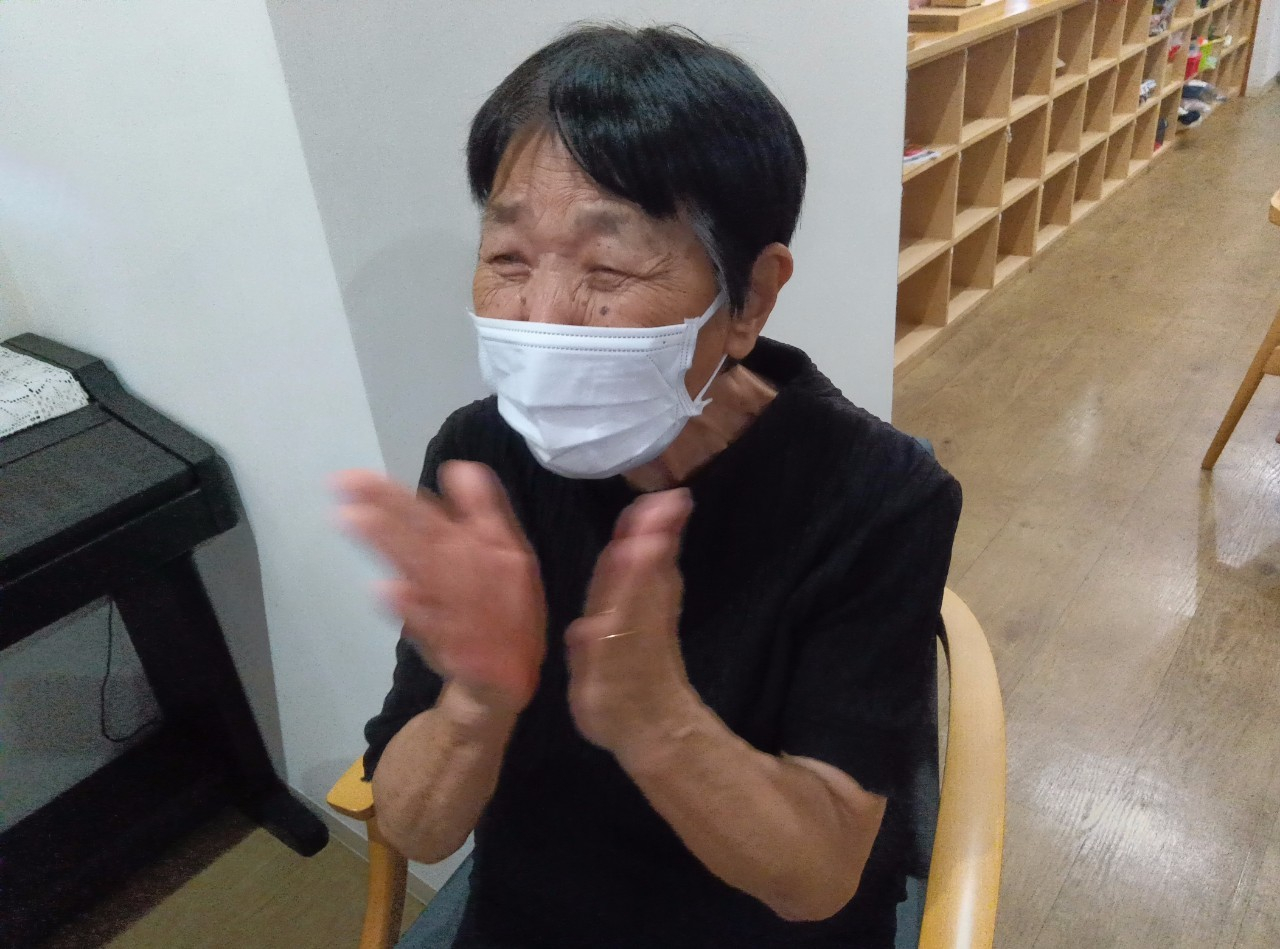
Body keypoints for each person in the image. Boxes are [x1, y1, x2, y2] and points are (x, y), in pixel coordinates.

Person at [333, 23, 961, 949]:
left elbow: (819, 878)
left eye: (610, 268)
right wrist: (475, 702)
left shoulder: (880, 495)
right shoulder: (479, 459)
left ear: (750, 298)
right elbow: (417, 828)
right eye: (508, 260)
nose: (545, 319)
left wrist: (656, 719)